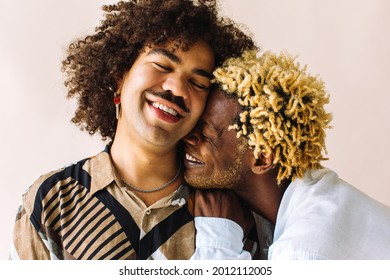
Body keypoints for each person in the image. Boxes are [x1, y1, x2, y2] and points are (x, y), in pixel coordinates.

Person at [10, 0, 259, 260]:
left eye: (197, 83)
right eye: (162, 66)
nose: (176, 89)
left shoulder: (227, 213)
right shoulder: (52, 200)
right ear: (120, 75)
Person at [183, 49, 390, 259]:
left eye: (207, 134)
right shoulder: (319, 194)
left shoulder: (304, 250)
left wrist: (218, 242)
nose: (188, 137)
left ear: (262, 158)